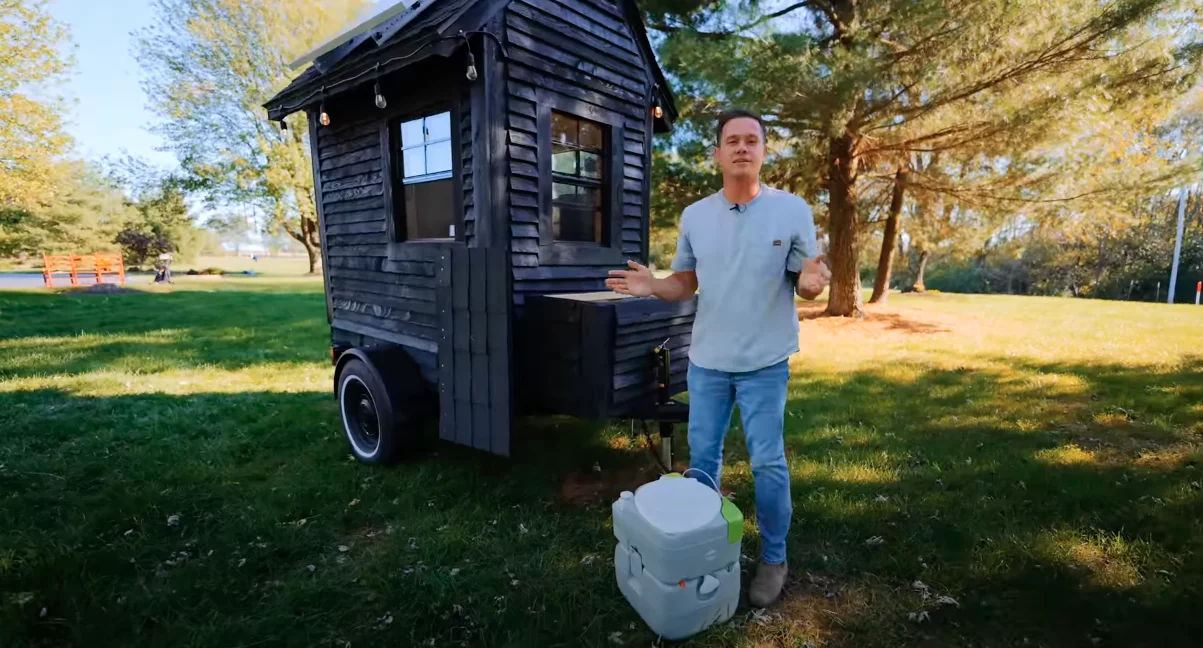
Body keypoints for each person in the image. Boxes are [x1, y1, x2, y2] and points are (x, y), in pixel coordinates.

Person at [605, 109, 830, 607]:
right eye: (733, 140)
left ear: (764, 152)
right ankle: (704, 550)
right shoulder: (695, 216)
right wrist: (653, 285)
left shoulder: (792, 210)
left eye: (752, 140)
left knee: (768, 463)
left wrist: (813, 284)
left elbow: (806, 278)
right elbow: (686, 281)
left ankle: (774, 557)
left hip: (765, 361)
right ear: (718, 154)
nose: (743, 148)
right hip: (706, 361)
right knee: (703, 464)